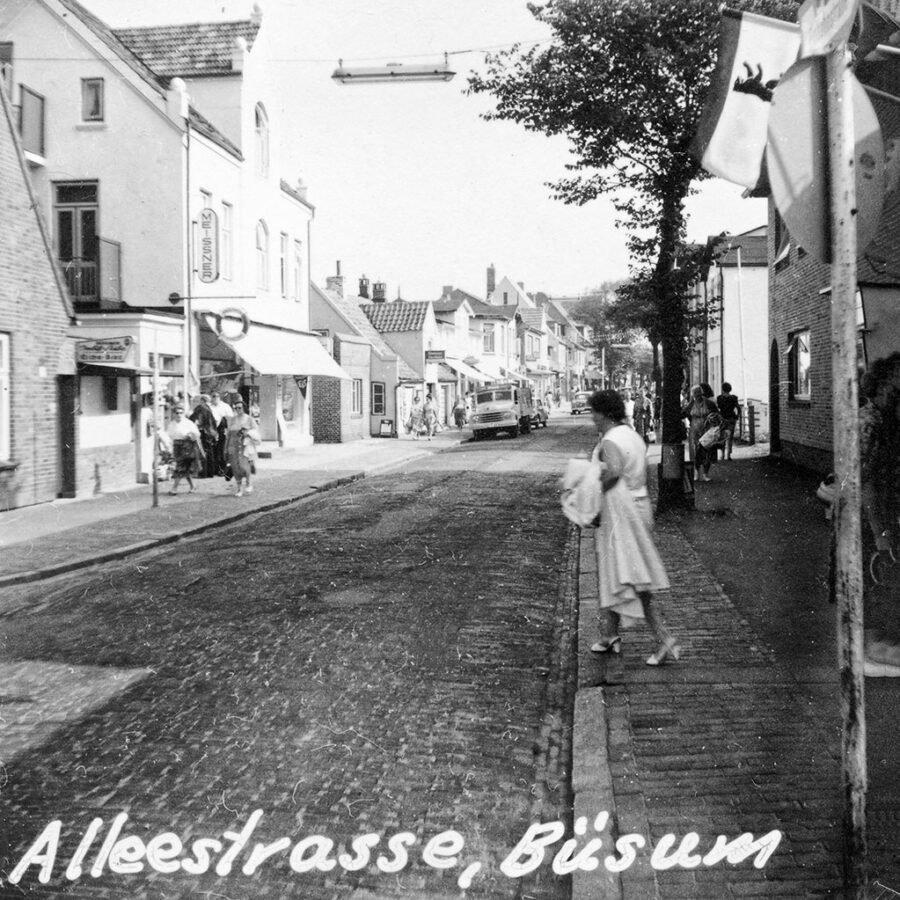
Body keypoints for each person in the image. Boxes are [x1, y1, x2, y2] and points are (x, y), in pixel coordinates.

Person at [587, 390, 681, 665]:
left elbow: (612, 474)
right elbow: (644, 474)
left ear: (604, 413)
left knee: (634, 579)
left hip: (621, 514)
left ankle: (664, 639)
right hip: (639, 506)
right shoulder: (632, 436)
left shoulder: (610, 441)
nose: (591, 416)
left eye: (594, 411)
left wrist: (587, 499)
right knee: (617, 571)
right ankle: (609, 634)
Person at [682, 384, 720, 482]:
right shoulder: (691, 404)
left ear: (701, 393)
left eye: (699, 394)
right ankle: (696, 472)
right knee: (695, 452)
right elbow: (683, 413)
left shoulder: (709, 403)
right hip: (694, 431)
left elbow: (716, 414)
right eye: (695, 395)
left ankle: (705, 474)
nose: (697, 396)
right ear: (693, 395)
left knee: (707, 451)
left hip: (707, 430)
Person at [165, 403, 204, 495]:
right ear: (174, 414)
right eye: (177, 413)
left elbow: (197, 434)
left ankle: (174, 488)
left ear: (183, 413)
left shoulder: (188, 423)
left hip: (187, 446)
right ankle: (193, 486)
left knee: (180, 466)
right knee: (184, 468)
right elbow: (169, 436)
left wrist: (191, 435)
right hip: (176, 446)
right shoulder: (171, 424)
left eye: (181, 413)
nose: (179, 415)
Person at [225, 397, 260, 497]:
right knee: (235, 467)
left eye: (240, 408)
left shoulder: (249, 419)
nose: (238, 410)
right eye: (236, 408)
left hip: (245, 445)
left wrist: (248, 433)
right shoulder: (232, 420)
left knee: (245, 466)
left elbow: (255, 431)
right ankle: (239, 488)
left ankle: (249, 483)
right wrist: (227, 447)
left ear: (243, 408)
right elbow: (229, 434)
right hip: (233, 445)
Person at [189, 394, 218, 478]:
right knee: (210, 452)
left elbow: (196, 420)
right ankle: (210, 472)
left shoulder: (201, 408)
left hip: (203, 432)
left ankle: (204, 472)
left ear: (202, 401)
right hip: (210, 432)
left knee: (203, 451)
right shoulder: (210, 409)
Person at [208, 390, 233, 475]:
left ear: (219, 397)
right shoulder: (209, 406)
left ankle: (222, 469)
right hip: (211, 430)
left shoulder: (225, 407)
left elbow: (230, 419)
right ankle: (214, 469)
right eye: (213, 396)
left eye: (216, 396)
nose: (215, 398)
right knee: (213, 450)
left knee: (221, 450)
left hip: (222, 430)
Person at [716, 382, 740, 461]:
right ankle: (728, 455)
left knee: (722, 437)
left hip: (722, 419)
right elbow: (738, 408)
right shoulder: (734, 398)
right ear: (730, 389)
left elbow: (718, 409)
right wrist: (737, 416)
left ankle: (722, 455)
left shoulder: (719, 398)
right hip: (731, 419)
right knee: (730, 437)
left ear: (723, 389)